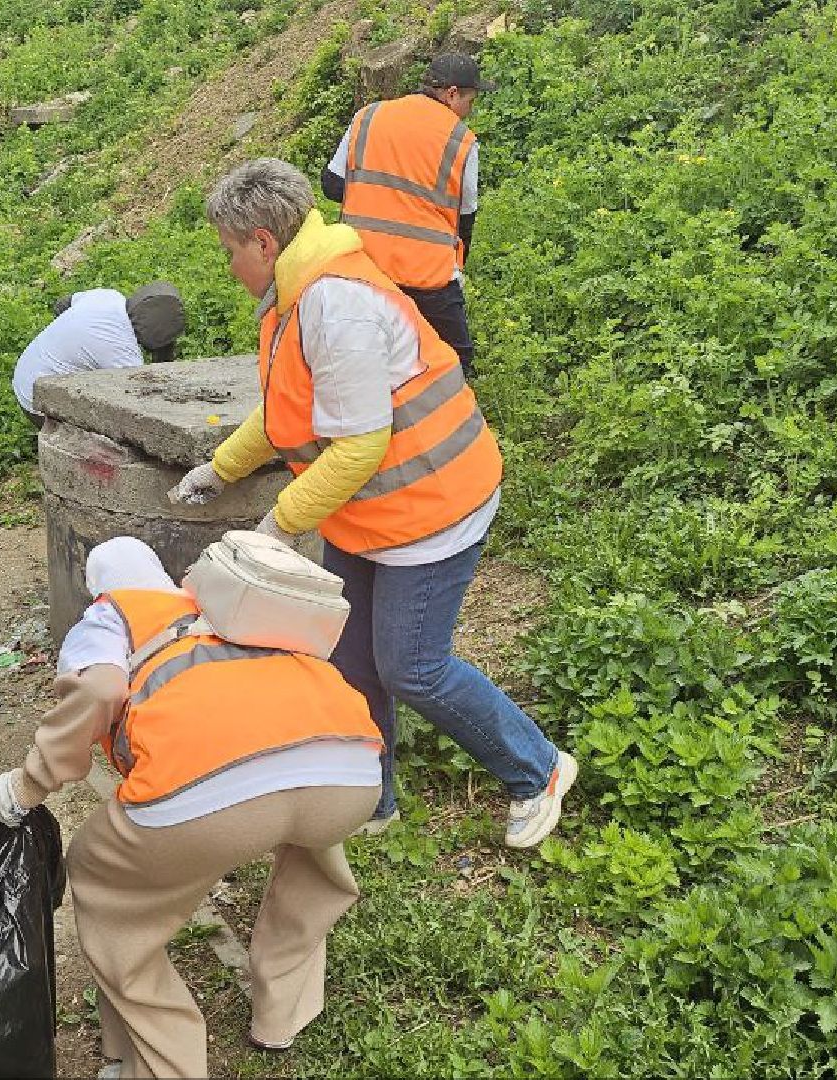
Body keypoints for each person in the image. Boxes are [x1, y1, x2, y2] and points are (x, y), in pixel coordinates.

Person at [172, 158, 575, 848]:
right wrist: (220, 467)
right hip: (370, 513)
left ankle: (536, 770)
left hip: (434, 504)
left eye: (229, 251)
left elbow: (359, 449)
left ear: (263, 242)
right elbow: (285, 413)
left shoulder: (337, 305)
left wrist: (277, 526)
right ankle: (373, 798)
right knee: (352, 661)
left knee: (410, 666)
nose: (228, 265)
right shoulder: (294, 296)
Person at [0, 536, 382, 1079]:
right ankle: (283, 1014)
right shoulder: (231, 609)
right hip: (348, 770)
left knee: (102, 881)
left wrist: (28, 785)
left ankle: (163, 1064)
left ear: (97, 589)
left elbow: (100, 690)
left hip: (210, 788)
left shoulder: (113, 615)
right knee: (313, 859)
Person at [321, 52, 492, 376]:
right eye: (471, 100)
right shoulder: (462, 142)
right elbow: (464, 220)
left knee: (359, 369)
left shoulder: (368, 116)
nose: (470, 110)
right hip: (429, 280)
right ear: (452, 94)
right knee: (456, 369)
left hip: (360, 270)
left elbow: (332, 185)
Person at [12, 282, 186, 420]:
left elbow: (62, 305)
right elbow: (140, 408)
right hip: (36, 402)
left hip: (26, 372)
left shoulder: (108, 297)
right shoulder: (122, 352)